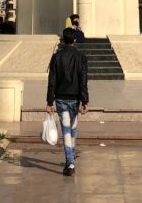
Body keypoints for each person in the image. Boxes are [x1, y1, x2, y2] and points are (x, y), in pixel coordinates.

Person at [46, 27, 89, 177]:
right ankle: (70, 159)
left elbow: (52, 80)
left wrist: (50, 101)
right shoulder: (81, 57)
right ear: (75, 40)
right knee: (72, 128)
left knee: (67, 129)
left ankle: (70, 161)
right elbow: (83, 80)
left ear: (62, 40)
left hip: (61, 98)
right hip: (75, 98)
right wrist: (84, 101)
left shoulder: (57, 57)